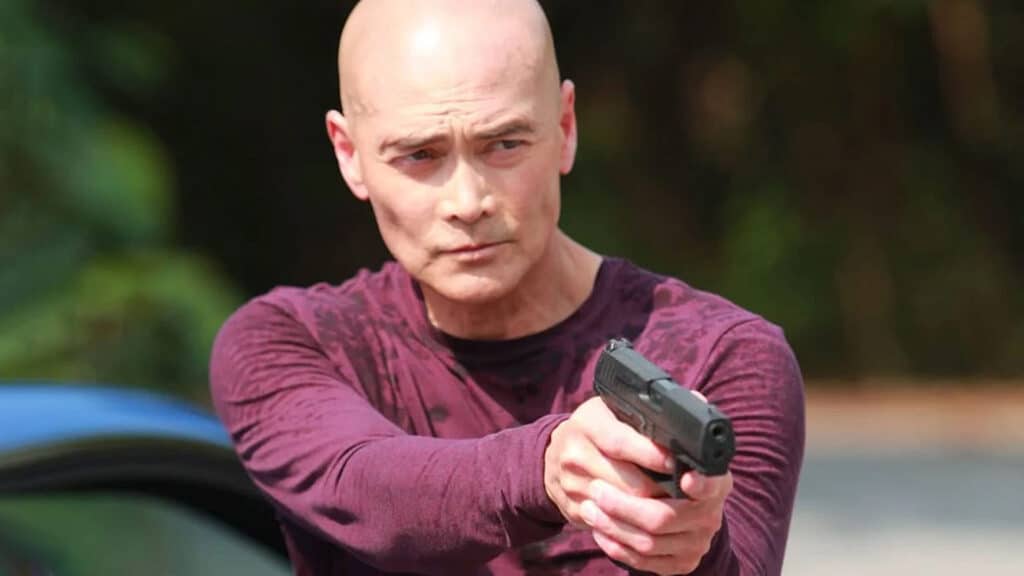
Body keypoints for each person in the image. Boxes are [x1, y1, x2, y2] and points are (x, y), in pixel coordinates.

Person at [209, 0, 805, 574]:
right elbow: (367, 489)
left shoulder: (725, 356)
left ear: (565, 128)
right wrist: (545, 469)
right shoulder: (286, 343)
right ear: (349, 155)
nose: (468, 202)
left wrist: (688, 549)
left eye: (504, 145)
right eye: (419, 155)